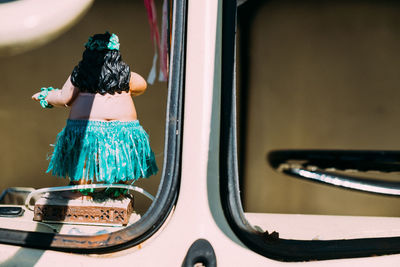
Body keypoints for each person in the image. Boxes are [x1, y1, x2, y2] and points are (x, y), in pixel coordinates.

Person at [32, 32, 158, 197]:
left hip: (87, 130)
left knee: (83, 163)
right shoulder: (125, 74)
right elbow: (141, 85)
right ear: (115, 54)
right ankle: (117, 190)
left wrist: (46, 96)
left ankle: (79, 189)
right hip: (123, 130)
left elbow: (65, 97)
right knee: (119, 160)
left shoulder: (80, 74)